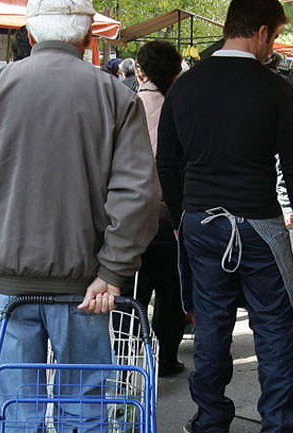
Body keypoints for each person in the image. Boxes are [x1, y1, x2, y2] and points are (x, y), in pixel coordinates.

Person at [0, 0, 160, 429]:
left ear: (30, 34)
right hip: (86, 286)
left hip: (4, 285)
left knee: (15, 410)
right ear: (88, 38)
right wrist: (113, 270)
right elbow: (138, 195)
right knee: (84, 410)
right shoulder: (116, 96)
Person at [156, 0, 293, 431]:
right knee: (274, 328)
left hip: (200, 222)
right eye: (274, 37)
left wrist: (180, 217)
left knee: (211, 326)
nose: (272, 47)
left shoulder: (184, 87)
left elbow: (167, 163)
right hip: (259, 225)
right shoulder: (274, 88)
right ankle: (279, 423)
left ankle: (210, 420)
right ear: (261, 32)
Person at [120, 40, 185, 377]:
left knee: (133, 294)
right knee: (171, 294)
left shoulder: (124, 105)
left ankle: (128, 363)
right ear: (175, 71)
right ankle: (166, 359)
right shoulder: (183, 107)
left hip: (130, 218)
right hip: (172, 219)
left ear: (140, 70)